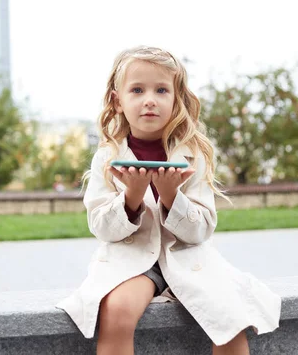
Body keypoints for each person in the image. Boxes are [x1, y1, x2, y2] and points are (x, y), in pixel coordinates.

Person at [56, 46, 281, 355]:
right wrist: (131, 198)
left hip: (189, 259)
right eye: (137, 89)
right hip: (132, 262)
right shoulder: (107, 158)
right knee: (117, 311)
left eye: (161, 90)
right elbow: (101, 227)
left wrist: (173, 196)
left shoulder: (192, 156)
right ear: (117, 101)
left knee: (230, 319)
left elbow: (202, 229)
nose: (150, 99)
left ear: (176, 101)